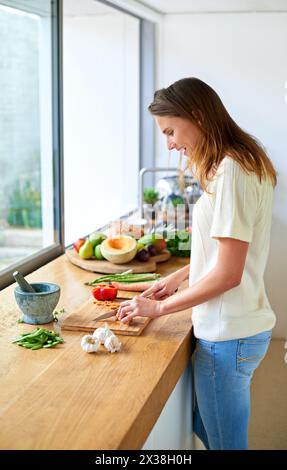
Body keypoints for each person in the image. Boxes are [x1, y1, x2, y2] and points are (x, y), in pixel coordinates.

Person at [116, 77, 277, 450]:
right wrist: (180, 275)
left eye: (170, 131)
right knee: (208, 434)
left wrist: (157, 308)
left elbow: (228, 274)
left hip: (227, 335)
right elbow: (230, 250)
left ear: (198, 116)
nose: (170, 144)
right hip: (239, 329)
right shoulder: (242, 160)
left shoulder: (233, 170)